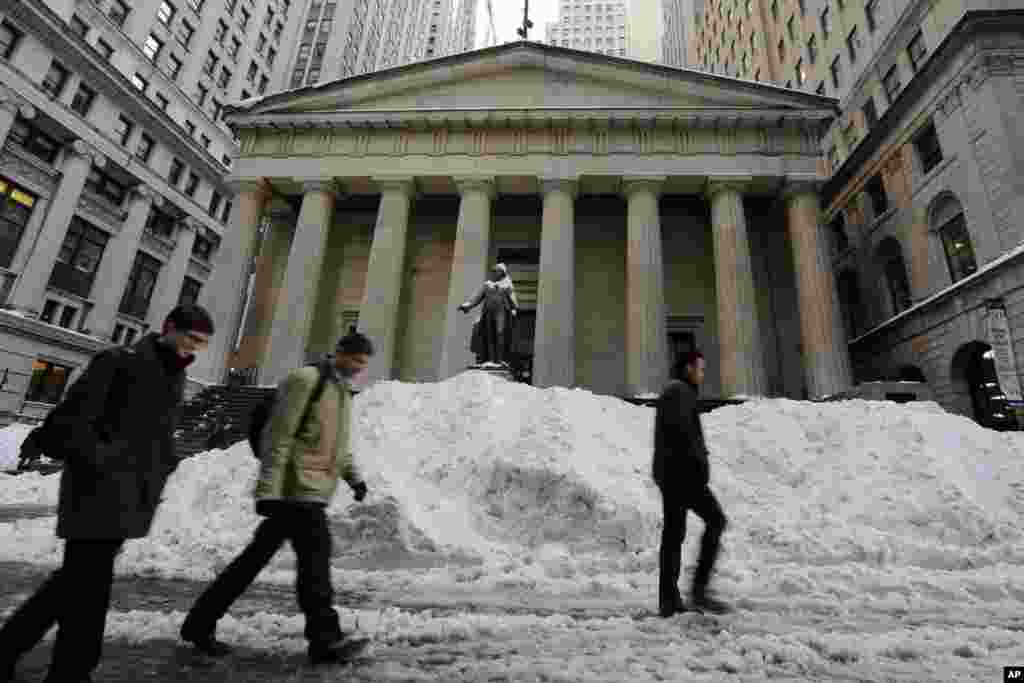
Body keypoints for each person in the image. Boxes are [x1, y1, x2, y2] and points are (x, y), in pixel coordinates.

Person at [0, 304, 215, 683]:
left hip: (128, 496)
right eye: (190, 338)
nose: (194, 348)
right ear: (168, 328)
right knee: (87, 589)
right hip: (96, 491)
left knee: (74, 585)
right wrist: (108, 464)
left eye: (201, 343)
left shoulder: (173, 376)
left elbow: (153, 435)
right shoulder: (120, 361)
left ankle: (27, 656)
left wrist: (160, 468)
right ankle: (71, 671)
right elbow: (76, 420)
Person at [180, 332, 374, 664]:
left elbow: (336, 447)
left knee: (252, 562)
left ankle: (199, 623)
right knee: (315, 567)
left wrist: (354, 479)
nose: (359, 368)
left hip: (311, 493)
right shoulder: (306, 381)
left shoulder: (339, 391)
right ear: (339, 353)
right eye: (355, 360)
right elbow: (278, 436)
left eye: (364, 363)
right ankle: (324, 640)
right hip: (293, 491)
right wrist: (269, 489)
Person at [652, 350, 730, 617]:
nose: (702, 374)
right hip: (682, 476)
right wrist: (698, 467)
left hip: (675, 475)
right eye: (699, 368)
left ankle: (671, 600)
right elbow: (683, 436)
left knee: (674, 536)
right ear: (688, 369)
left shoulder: (679, 392)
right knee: (715, 521)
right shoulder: (679, 393)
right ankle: (695, 593)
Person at [459, 263, 518, 366]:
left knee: (499, 334)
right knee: (488, 335)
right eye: (493, 271)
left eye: (497, 271)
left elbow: (514, 302)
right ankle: (489, 359)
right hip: (488, 313)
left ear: (503, 272)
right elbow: (477, 298)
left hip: (501, 313)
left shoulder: (507, 285)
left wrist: (507, 297)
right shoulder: (487, 285)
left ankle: (499, 360)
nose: (494, 273)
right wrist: (467, 305)